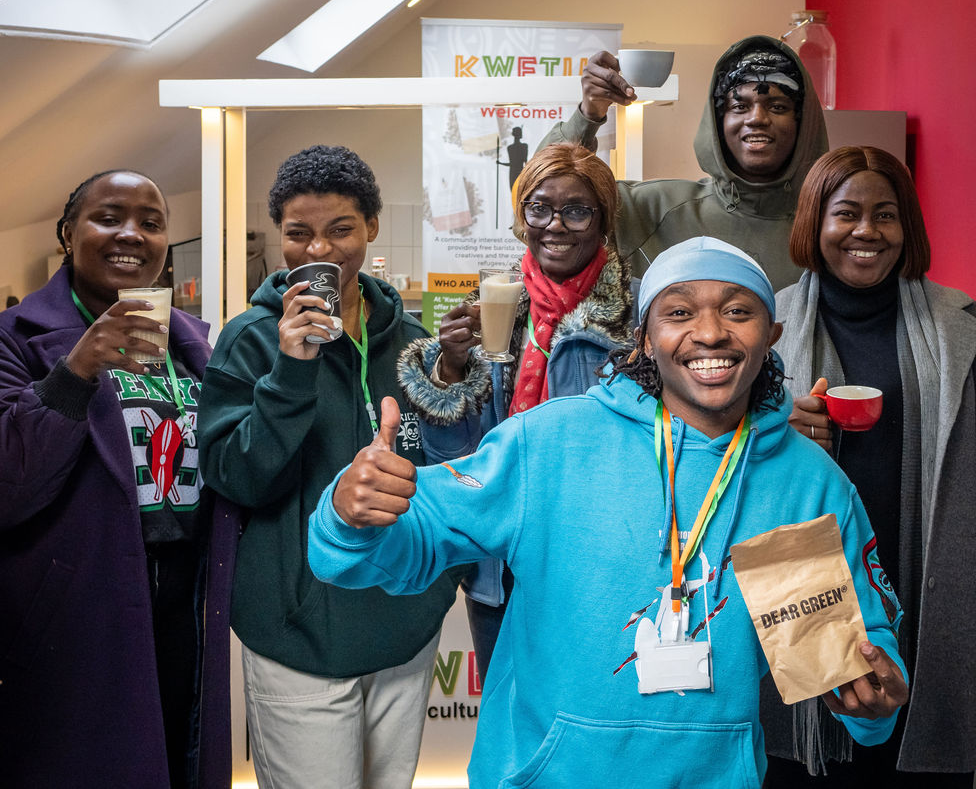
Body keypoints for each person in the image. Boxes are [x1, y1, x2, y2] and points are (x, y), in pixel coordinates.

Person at [308, 236, 910, 788]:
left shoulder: (804, 481)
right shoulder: (549, 443)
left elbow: (843, 657)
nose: (709, 333)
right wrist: (348, 514)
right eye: (678, 312)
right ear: (645, 339)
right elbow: (403, 546)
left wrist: (873, 697)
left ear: (771, 334)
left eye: (737, 311)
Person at [197, 145, 461, 789]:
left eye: (339, 229)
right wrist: (292, 368)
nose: (318, 250)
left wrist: (458, 376)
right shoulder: (251, 338)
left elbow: (437, 465)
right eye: (298, 233)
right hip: (297, 634)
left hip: (401, 624)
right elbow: (236, 476)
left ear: (371, 227)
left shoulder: (409, 340)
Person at [763, 146, 976, 787]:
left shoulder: (965, 328)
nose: (866, 231)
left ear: (907, 226)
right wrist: (774, 429)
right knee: (805, 769)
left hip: (934, 597)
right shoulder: (762, 324)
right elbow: (712, 458)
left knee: (917, 765)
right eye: (845, 213)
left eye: (886, 215)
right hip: (803, 596)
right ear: (813, 223)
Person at [0, 170, 238, 787]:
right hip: (76, 607)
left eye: (151, 223)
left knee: (180, 760)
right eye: (109, 217)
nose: (130, 234)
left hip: (187, 599)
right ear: (67, 232)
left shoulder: (201, 347)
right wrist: (76, 368)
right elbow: (9, 483)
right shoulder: (15, 340)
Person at [397, 141, 633, 683]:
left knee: (591, 716)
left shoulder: (639, 315)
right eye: (539, 207)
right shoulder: (495, 311)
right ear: (521, 216)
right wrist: (453, 371)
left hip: (598, 559)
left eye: (576, 209)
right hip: (500, 567)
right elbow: (456, 463)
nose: (555, 224)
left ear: (604, 220)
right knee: (506, 727)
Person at [539, 36, 828, 289]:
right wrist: (588, 114)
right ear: (718, 122)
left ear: (802, 122)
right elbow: (538, 205)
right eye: (739, 106)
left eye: (778, 107)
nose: (756, 119)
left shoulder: (833, 224)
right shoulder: (650, 210)